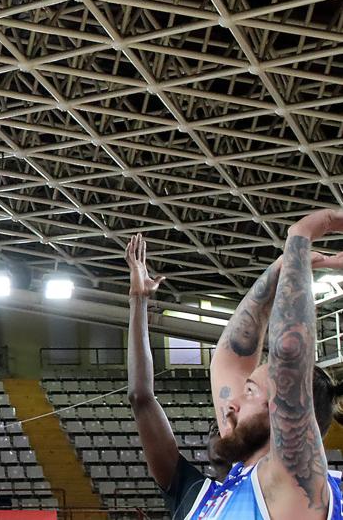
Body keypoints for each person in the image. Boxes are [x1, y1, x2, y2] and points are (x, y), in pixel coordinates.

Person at [125, 221, 343, 519]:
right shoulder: (204, 495)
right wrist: (280, 267)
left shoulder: (295, 485)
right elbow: (226, 360)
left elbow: (290, 359)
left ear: (283, 413)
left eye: (250, 391)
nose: (229, 403)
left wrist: (299, 241)